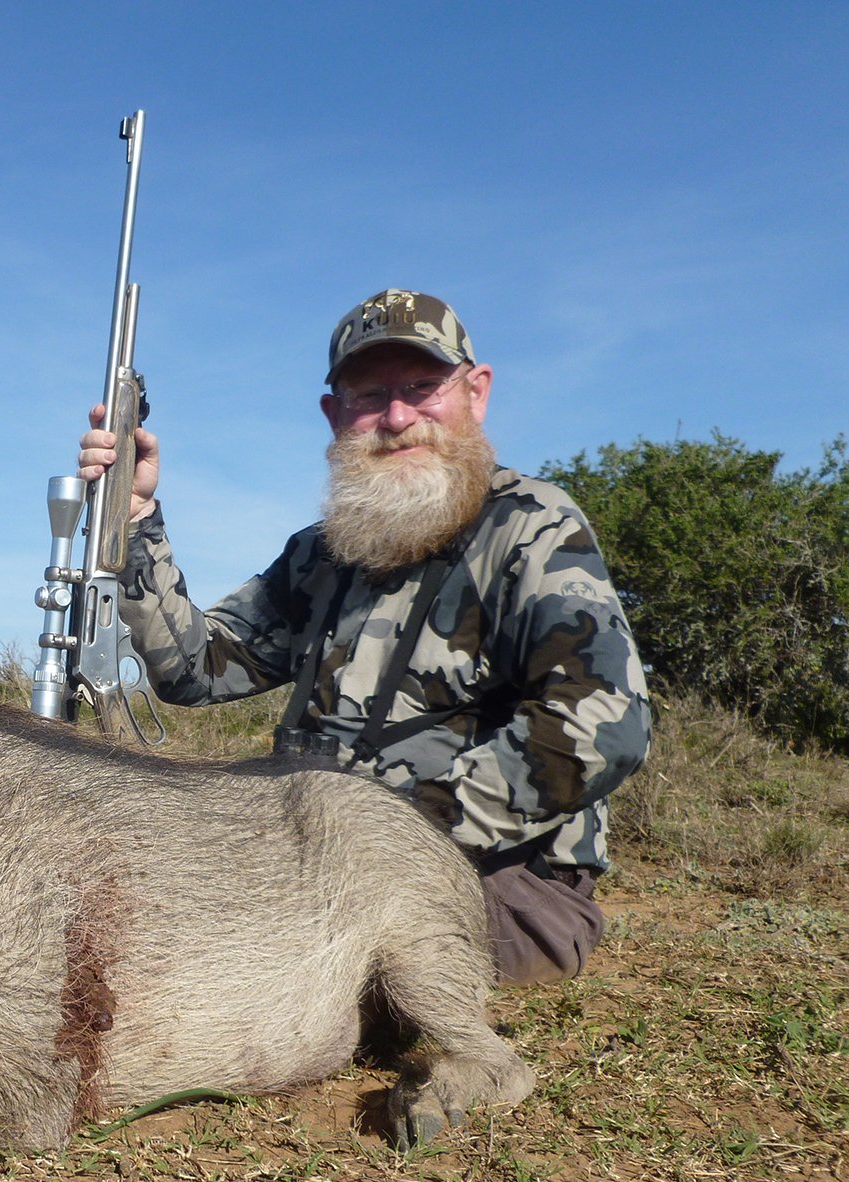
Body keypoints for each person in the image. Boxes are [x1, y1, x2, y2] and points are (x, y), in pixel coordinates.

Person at [77, 288, 651, 985]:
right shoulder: (322, 553)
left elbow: (606, 725)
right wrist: (137, 520)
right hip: (312, 865)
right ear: (335, 414)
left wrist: (388, 842)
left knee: (213, 981)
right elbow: (198, 668)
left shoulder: (533, 525)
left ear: (477, 391)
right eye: (370, 395)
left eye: (420, 387)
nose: (398, 417)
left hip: (489, 885)